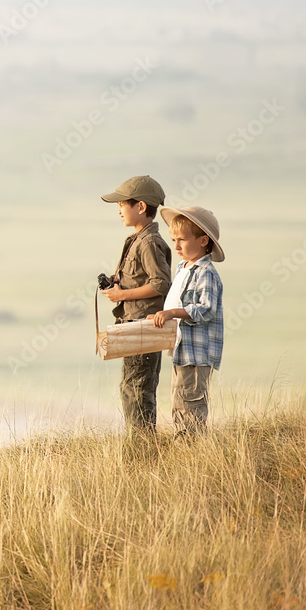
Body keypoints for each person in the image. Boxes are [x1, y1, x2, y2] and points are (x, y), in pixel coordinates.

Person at [100, 176, 173, 433]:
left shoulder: (149, 242)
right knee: (131, 386)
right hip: (135, 323)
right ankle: (140, 445)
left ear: (140, 207)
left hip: (144, 324)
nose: (119, 210)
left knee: (138, 388)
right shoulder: (137, 239)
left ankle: (141, 448)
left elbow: (160, 284)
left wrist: (122, 296)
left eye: (122, 204)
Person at [148, 206, 224, 435]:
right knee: (179, 398)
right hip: (182, 349)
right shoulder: (183, 268)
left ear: (203, 240)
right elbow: (176, 301)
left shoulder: (206, 273)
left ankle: (192, 445)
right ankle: (184, 445)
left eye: (182, 239)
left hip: (197, 353)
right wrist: (164, 314)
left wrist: (172, 313)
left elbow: (206, 309)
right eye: (174, 240)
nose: (176, 246)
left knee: (191, 401)